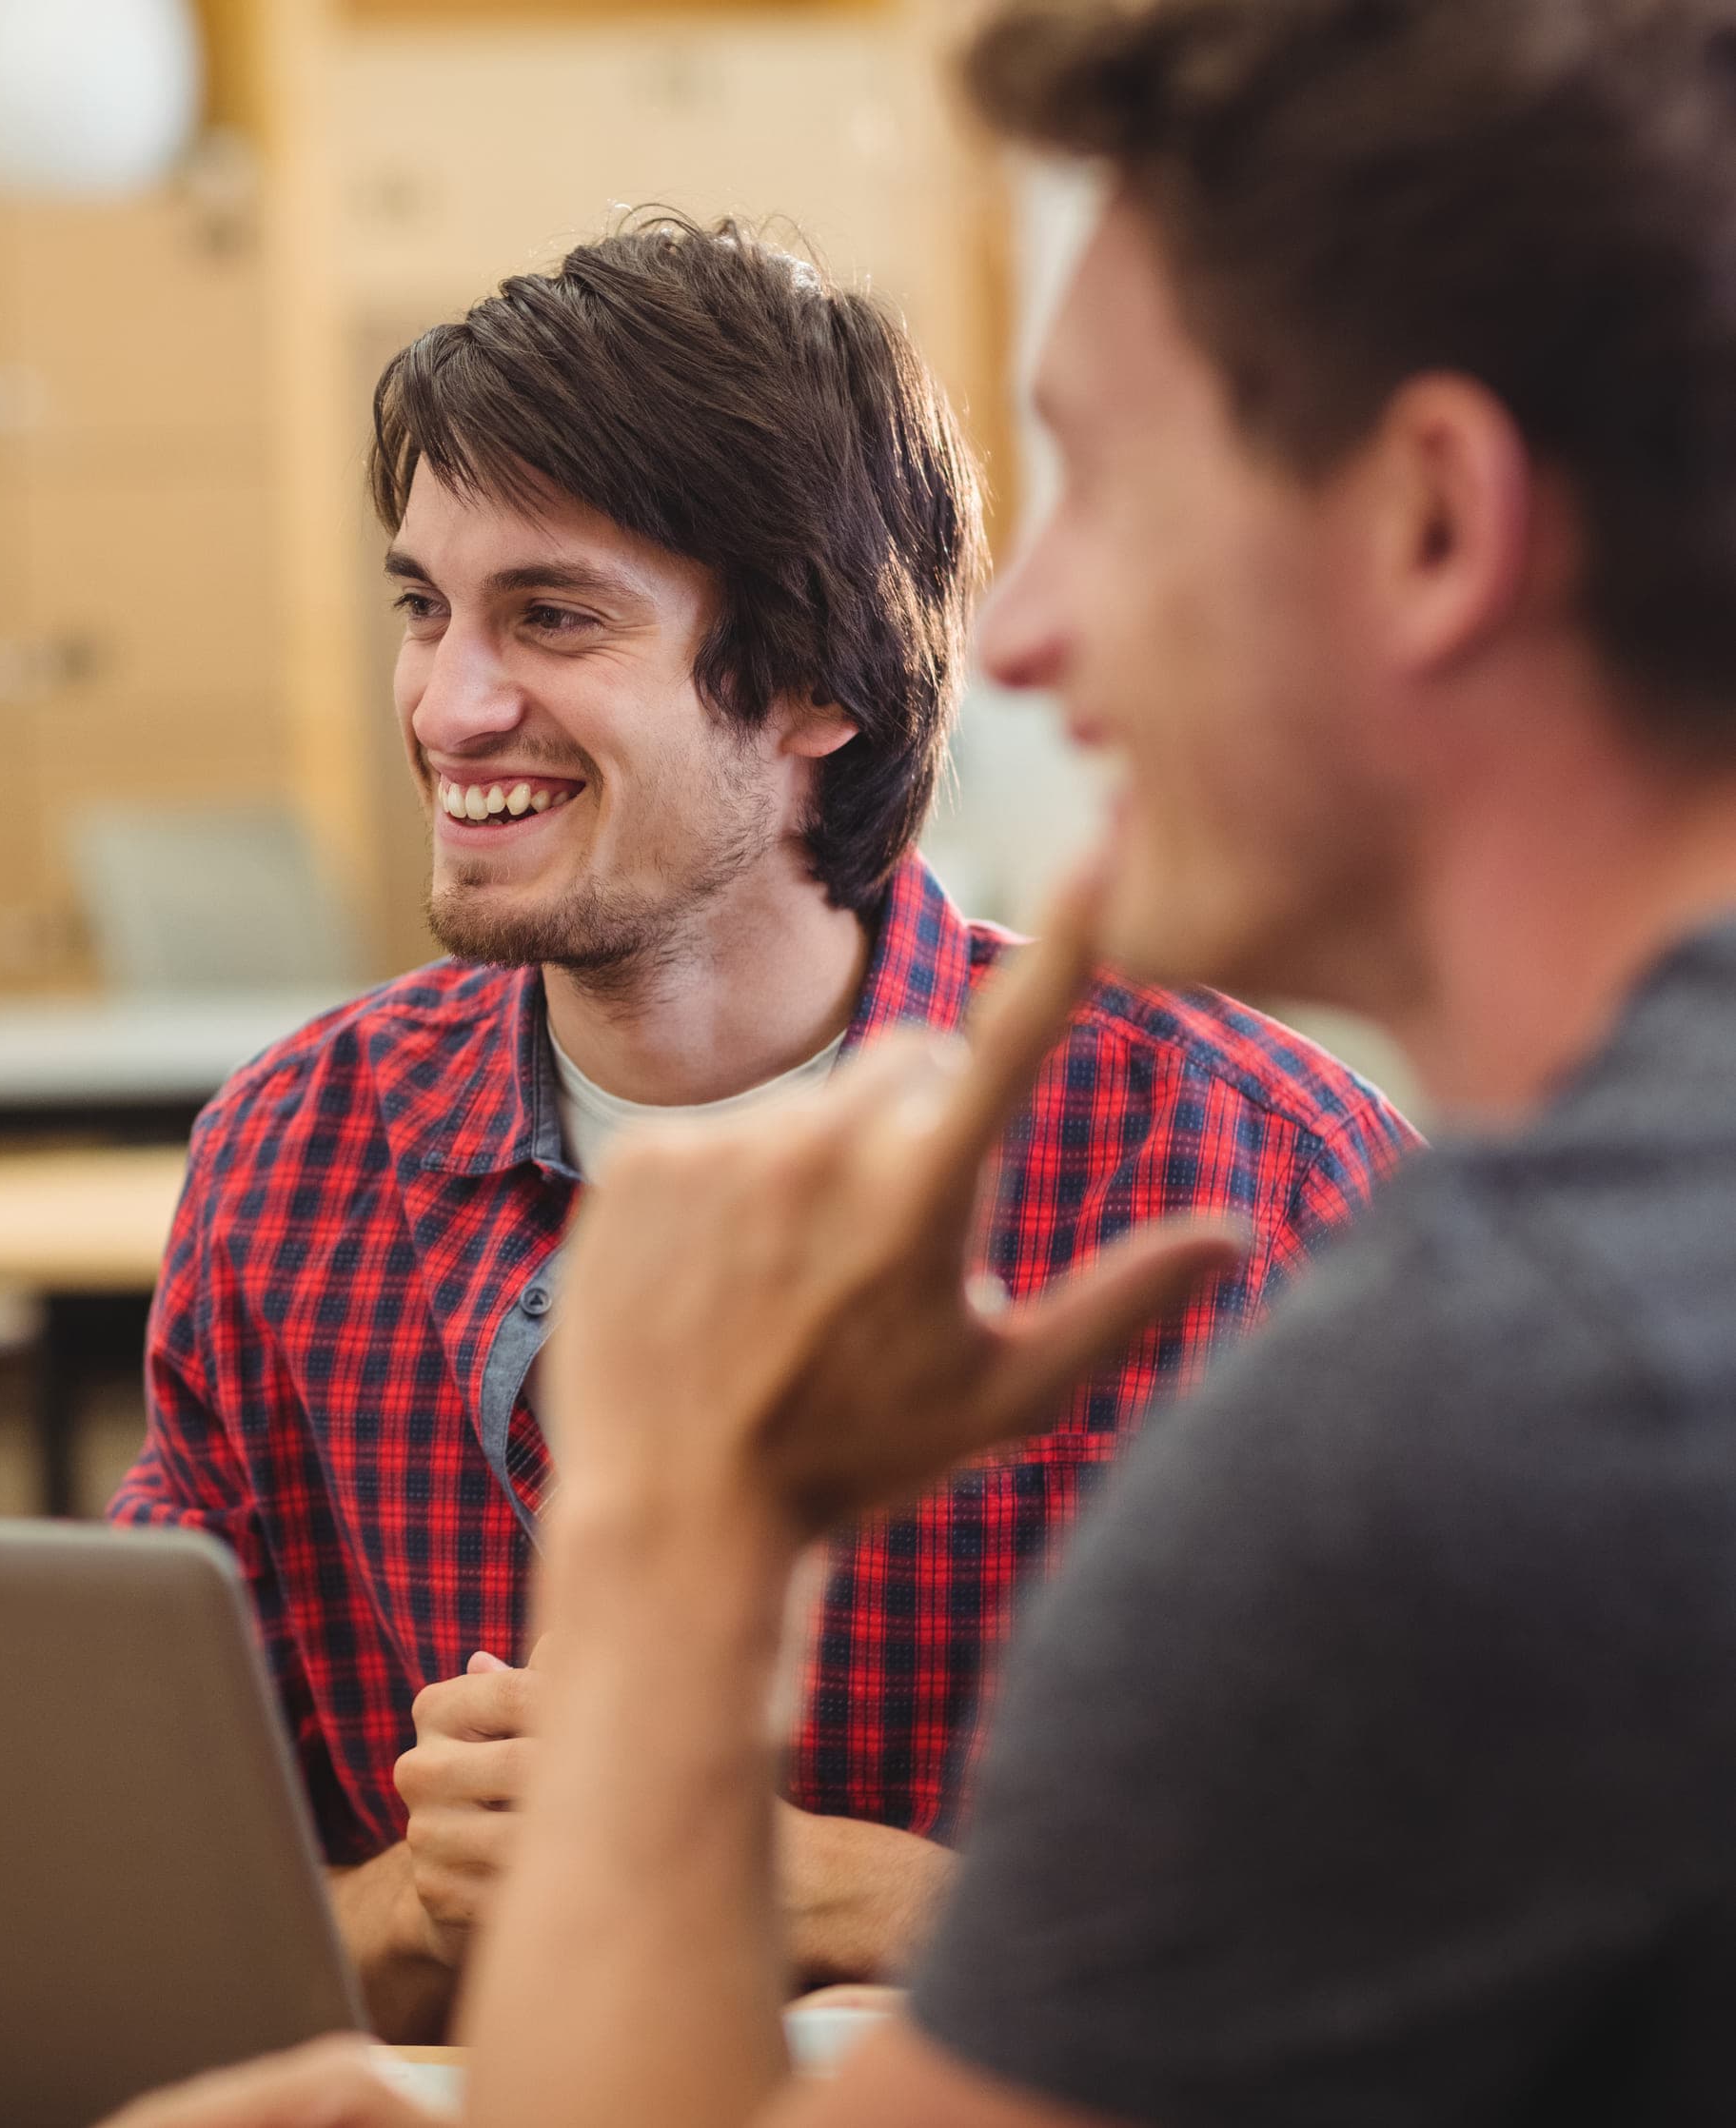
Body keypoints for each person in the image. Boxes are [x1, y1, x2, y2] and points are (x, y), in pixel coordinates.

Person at [105, 0, 1736, 2119]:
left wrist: (683, 1568)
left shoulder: (1432, 1342)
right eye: (422, 608)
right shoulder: (1575, 1310)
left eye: (1115, 485)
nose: (1027, 625)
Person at [108, 215, 1410, 2033]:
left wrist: (866, 1892)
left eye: (550, 617)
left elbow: (1455, 1937)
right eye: (422, 608)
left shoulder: (1239, 1167)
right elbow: (141, 1914)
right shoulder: (293, 1159)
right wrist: (416, 1902)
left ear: (821, 683)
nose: (444, 704)